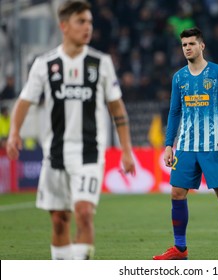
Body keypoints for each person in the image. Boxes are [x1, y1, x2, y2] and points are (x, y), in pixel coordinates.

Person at [6, 0, 135, 260]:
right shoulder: (45, 63)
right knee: (59, 220)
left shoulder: (101, 63)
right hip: (55, 155)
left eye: (89, 22)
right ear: (64, 26)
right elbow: (24, 100)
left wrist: (126, 150)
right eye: (81, 22)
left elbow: (117, 109)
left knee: (84, 213)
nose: (87, 27)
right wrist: (14, 132)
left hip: (89, 153)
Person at [153, 27, 218, 260]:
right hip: (184, 147)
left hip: (213, 146)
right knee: (176, 193)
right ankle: (180, 248)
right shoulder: (179, 77)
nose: (187, 48)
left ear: (201, 46)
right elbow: (174, 112)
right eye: (184, 44)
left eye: (191, 44)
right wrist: (168, 145)